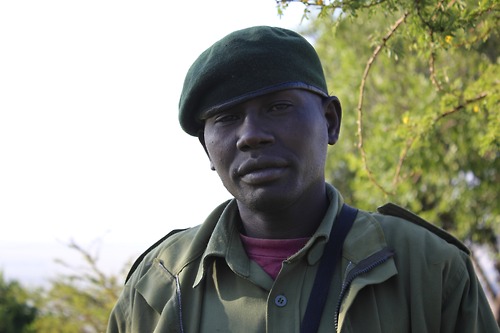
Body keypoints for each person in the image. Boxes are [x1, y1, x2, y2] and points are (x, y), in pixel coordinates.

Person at [107, 26, 499, 333]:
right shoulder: (157, 286)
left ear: (330, 120)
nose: (250, 135)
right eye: (226, 118)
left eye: (278, 107)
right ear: (207, 151)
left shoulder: (430, 269)